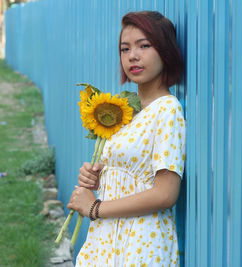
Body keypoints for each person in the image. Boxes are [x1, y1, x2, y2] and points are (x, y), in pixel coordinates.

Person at [67, 11, 185, 266]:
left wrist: (95, 208)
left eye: (144, 45)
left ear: (165, 51)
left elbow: (165, 194)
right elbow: (134, 176)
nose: (132, 56)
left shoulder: (167, 109)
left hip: (141, 240)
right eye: (125, 48)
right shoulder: (128, 110)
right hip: (110, 236)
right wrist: (98, 178)